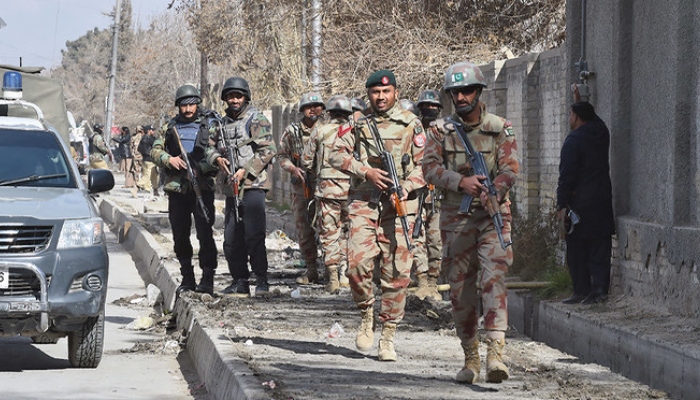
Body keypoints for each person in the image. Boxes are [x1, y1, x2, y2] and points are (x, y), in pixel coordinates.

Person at [423, 61, 519, 384]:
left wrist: (496, 189)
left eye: (467, 91)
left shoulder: (500, 128)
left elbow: (510, 169)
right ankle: (471, 356)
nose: (461, 96)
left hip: (492, 215)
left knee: (494, 280)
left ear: (479, 92)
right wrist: (460, 182)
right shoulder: (439, 131)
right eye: (455, 92)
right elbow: (429, 169)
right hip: (456, 218)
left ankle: (496, 354)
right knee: (461, 291)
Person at [329, 69, 426, 362]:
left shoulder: (411, 124)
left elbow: (426, 165)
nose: (381, 97)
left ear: (395, 92)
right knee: (356, 264)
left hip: (398, 207)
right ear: (368, 94)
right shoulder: (357, 124)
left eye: (386, 92)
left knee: (397, 273)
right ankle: (366, 312)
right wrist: (366, 171)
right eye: (375, 92)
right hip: (364, 203)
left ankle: (388, 336)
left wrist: (407, 186)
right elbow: (335, 155)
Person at [207, 76, 276, 297]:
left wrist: (245, 170)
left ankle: (261, 280)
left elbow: (268, 150)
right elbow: (207, 148)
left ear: (245, 97)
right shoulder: (220, 123)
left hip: (253, 185)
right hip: (231, 187)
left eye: (238, 96)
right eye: (230, 96)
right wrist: (217, 158)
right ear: (225, 99)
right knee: (231, 238)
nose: (234, 100)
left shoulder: (255, 120)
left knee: (254, 235)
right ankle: (240, 280)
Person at [150, 84, 219, 295]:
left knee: (205, 234)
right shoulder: (169, 127)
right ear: (178, 106)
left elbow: (218, 153)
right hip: (177, 189)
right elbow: (154, 150)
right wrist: (169, 160)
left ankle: (207, 277)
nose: (188, 109)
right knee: (180, 235)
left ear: (197, 104)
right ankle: (187, 276)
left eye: (192, 105)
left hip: (202, 188)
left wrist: (200, 169)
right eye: (184, 105)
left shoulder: (210, 126)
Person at [557, 84, 615, 305]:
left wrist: (561, 204)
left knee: (578, 250)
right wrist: (579, 100)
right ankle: (599, 291)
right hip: (601, 200)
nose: (569, 118)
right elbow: (596, 120)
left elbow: (567, 175)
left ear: (578, 117)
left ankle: (581, 291)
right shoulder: (602, 133)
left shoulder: (573, 141)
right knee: (600, 248)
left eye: (571, 113)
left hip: (579, 204)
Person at [301, 94, 353, 294]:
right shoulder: (354, 131)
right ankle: (345, 273)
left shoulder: (319, 131)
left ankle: (332, 278)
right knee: (348, 231)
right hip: (350, 189)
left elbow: (306, 161)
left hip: (326, 190)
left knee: (329, 233)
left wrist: (321, 169)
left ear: (329, 113)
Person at [278, 92, 325, 285]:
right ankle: (312, 268)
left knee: (329, 227)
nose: (312, 110)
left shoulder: (329, 129)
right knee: (303, 226)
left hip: (326, 186)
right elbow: (281, 156)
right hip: (302, 187)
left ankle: (334, 270)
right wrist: (292, 168)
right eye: (308, 106)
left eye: (316, 106)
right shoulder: (293, 131)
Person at [410, 89, 444, 301]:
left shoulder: (445, 132)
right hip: (416, 193)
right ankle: (422, 279)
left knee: (436, 239)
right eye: (426, 107)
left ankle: (433, 281)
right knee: (416, 237)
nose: (429, 110)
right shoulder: (413, 131)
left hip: (438, 195)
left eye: (433, 107)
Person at [135, 125, 160, 198]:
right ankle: (136, 188)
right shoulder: (150, 138)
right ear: (149, 131)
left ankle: (156, 191)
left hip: (145, 159)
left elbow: (139, 149)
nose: (153, 131)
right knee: (147, 176)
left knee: (154, 175)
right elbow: (156, 147)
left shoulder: (143, 138)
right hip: (150, 159)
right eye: (152, 130)